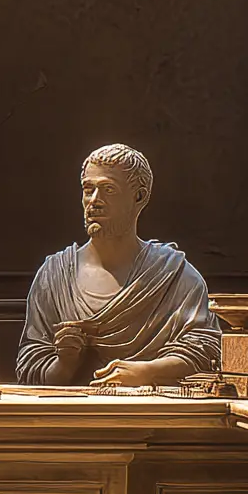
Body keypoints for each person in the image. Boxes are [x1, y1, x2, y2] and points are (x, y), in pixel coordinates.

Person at [14, 144, 221, 386]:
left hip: (156, 417)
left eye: (108, 190)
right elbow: (30, 370)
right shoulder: (54, 276)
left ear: (139, 197)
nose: (94, 201)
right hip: (71, 418)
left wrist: (146, 372)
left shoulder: (175, 276)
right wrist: (65, 363)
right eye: (88, 189)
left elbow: (207, 353)